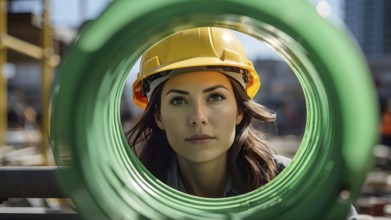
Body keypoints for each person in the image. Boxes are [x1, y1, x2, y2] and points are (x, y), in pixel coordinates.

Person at [126, 27, 358, 218]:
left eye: (215, 97)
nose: (198, 117)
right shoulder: (132, 198)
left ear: (239, 110)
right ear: (158, 116)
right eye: (178, 100)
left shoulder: (284, 182)